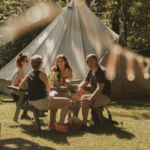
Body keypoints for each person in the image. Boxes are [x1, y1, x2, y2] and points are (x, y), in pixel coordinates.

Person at [19, 55, 70, 133]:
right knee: (67, 101)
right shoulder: (42, 75)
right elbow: (48, 89)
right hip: (41, 102)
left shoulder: (29, 73)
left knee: (54, 98)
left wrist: (31, 87)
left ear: (32, 64)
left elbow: (21, 86)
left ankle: (52, 124)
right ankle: (61, 126)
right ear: (41, 63)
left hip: (31, 101)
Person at [71, 54, 111, 130]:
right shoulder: (91, 70)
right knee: (73, 96)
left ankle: (84, 124)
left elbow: (99, 89)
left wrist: (91, 99)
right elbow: (85, 81)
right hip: (94, 95)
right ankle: (74, 120)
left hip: (104, 96)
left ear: (94, 61)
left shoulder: (102, 71)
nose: (86, 63)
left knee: (84, 99)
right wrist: (80, 87)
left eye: (87, 62)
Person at [11, 52, 33, 120]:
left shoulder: (18, 69)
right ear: (21, 62)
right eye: (26, 61)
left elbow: (19, 82)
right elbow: (16, 83)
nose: (28, 62)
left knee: (31, 95)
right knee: (33, 96)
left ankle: (25, 113)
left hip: (15, 93)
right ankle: (26, 113)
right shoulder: (20, 70)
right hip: (18, 94)